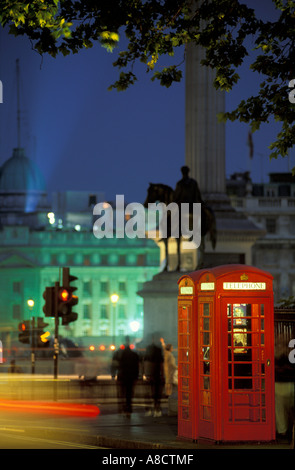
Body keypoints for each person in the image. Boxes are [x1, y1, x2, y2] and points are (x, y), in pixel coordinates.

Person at [116, 338, 139, 417]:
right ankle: (129, 408)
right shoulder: (134, 355)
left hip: (123, 376)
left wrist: (114, 374)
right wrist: (137, 376)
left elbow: (117, 365)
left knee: (122, 392)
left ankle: (122, 408)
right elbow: (137, 367)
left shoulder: (120, 354)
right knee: (129, 394)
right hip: (131, 377)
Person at [144, 336, 164, 417]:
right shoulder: (159, 351)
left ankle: (149, 410)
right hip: (157, 375)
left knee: (149, 393)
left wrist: (145, 374)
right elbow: (161, 365)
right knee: (157, 394)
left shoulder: (147, 353)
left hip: (149, 375)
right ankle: (157, 409)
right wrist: (162, 375)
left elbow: (144, 363)